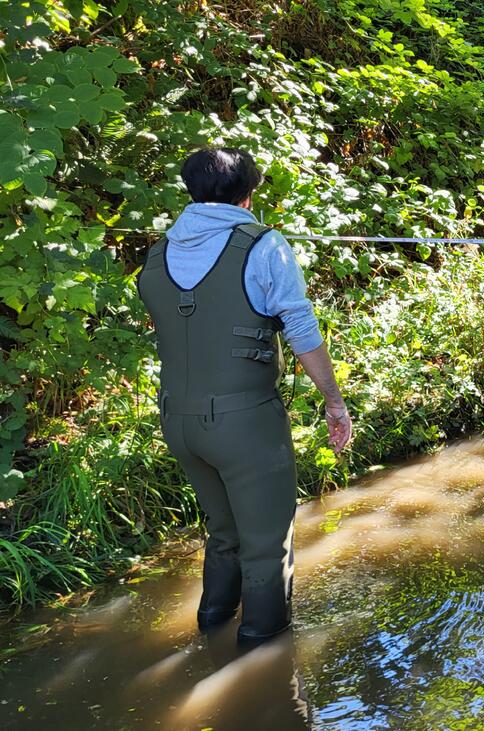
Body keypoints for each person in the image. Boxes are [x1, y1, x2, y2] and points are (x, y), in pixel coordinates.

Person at [137, 148, 353, 646]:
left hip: (178, 421)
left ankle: (210, 633)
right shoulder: (263, 244)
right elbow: (299, 324)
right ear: (248, 194)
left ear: (191, 191)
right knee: (266, 546)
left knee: (224, 533)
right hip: (245, 423)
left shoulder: (157, 251)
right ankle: (263, 652)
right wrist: (335, 403)